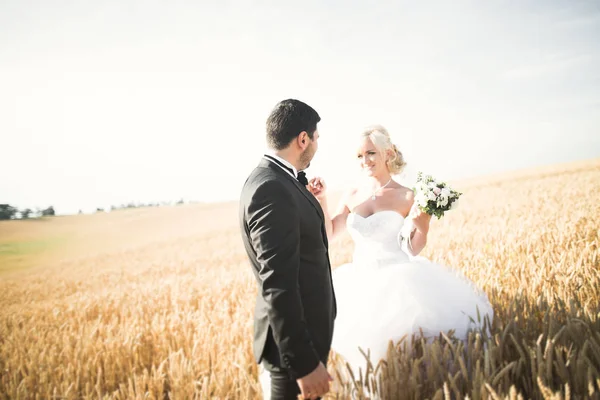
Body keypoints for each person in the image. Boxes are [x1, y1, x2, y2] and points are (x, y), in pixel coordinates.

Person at [307, 124, 494, 380]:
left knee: (412, 353)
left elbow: (413, 247)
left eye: (371, 153)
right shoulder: (352, 194)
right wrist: (322, 199)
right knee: (364, 352)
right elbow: (329, 233)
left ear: (388, 153)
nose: (365, 161)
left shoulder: (407, 195)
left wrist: (423, 225)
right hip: (359, 279)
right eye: (360, 156)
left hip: (399, 278)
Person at [239, 99, 337, 400]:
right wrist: (304, 364)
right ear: (303, 139)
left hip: (302, 343)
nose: (317, 145)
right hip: (291, 356)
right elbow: (278, 283)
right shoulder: (272, 188)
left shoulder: (280, 181)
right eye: (316, 138)